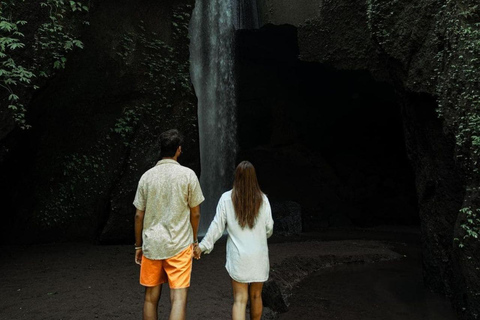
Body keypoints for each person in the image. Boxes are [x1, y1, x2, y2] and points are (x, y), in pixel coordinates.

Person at [133, 129, 204, 320]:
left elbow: (139, 216)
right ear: (178, 150)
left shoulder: (147, 177)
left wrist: (139, 246)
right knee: (178, 298)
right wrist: (194, 240)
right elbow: (195, 212)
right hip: (179, 244)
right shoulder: (188, 175)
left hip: (152, 244)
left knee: (150, 298)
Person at [194, 161, 274, 320]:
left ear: (236, 177)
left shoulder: (226, 199)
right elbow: (269, 228)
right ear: (254, 179)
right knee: (257, 296)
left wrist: (202, 247)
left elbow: (216, 227)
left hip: (239, 258)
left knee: (239, 299)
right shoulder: (263, 199)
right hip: (259, 257)